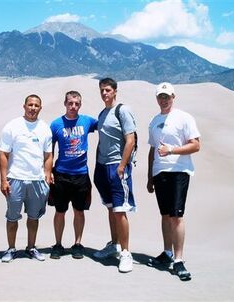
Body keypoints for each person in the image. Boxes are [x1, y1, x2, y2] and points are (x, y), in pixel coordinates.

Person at [146, 82, 200, 281]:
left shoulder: (184, 118)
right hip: (160, 173)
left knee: (177, 216)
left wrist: (171, 150)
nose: (164, 99)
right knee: (165, 215)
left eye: (167, 96)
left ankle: (179, 260)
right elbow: (152, 149)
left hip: (179, 171)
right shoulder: (154, 121)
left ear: (173, 96)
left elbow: (196, 145)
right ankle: (167, 253)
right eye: (161, 96)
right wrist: (150, 176)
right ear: (157, 98)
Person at [0, 94, 53, 262]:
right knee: (12, 217)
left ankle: (31, 247)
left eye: (36, 105)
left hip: (37, 180)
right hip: (16, 178)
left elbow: (48, 154)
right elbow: (3, 154)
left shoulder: (44, 128)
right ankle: (11, 249)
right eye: (30, 105)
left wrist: (47, 172)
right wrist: (3, 179)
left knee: (33, 217)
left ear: (40, 108)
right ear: (24, 106)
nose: (33, 108)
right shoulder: (12, 126)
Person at [93, 78, 137, 273]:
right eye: (102, 90)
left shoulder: (122, 110)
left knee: (120, 210)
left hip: (117, 167)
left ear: (115, 91)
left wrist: (122, 165)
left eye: (108, 90)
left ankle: (126, 253)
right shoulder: (102, 113)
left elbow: (130, 140)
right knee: (111, 209)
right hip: (102, 167)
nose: (104, 93)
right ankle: (114, 245)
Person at [49, 91, 97, 260]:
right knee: (60, 211)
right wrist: (48, 171)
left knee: (79, 211)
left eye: (76, 103)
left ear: (80, 105)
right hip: (61, 174)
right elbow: (49, 150)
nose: (73, 106)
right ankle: (58, 244)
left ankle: (77, 244)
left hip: (81, 175)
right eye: (70, 103)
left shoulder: (87, 121)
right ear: (65, 103)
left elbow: (105, 126)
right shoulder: (56, 124)